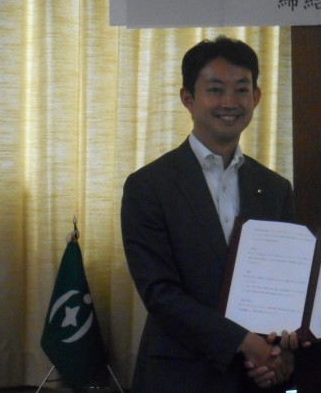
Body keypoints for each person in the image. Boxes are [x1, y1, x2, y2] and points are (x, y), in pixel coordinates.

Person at [121, 36, 298, 393]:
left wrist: (279, 353)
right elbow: (160, 295)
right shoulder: (149, 186)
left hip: (254, 379)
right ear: (187, 98)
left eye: (241, 89)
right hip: (179, 376)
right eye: (215, 90)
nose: (229, 102)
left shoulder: (275, 188)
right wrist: (245, 343)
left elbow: (285, 284)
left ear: (256, 97)